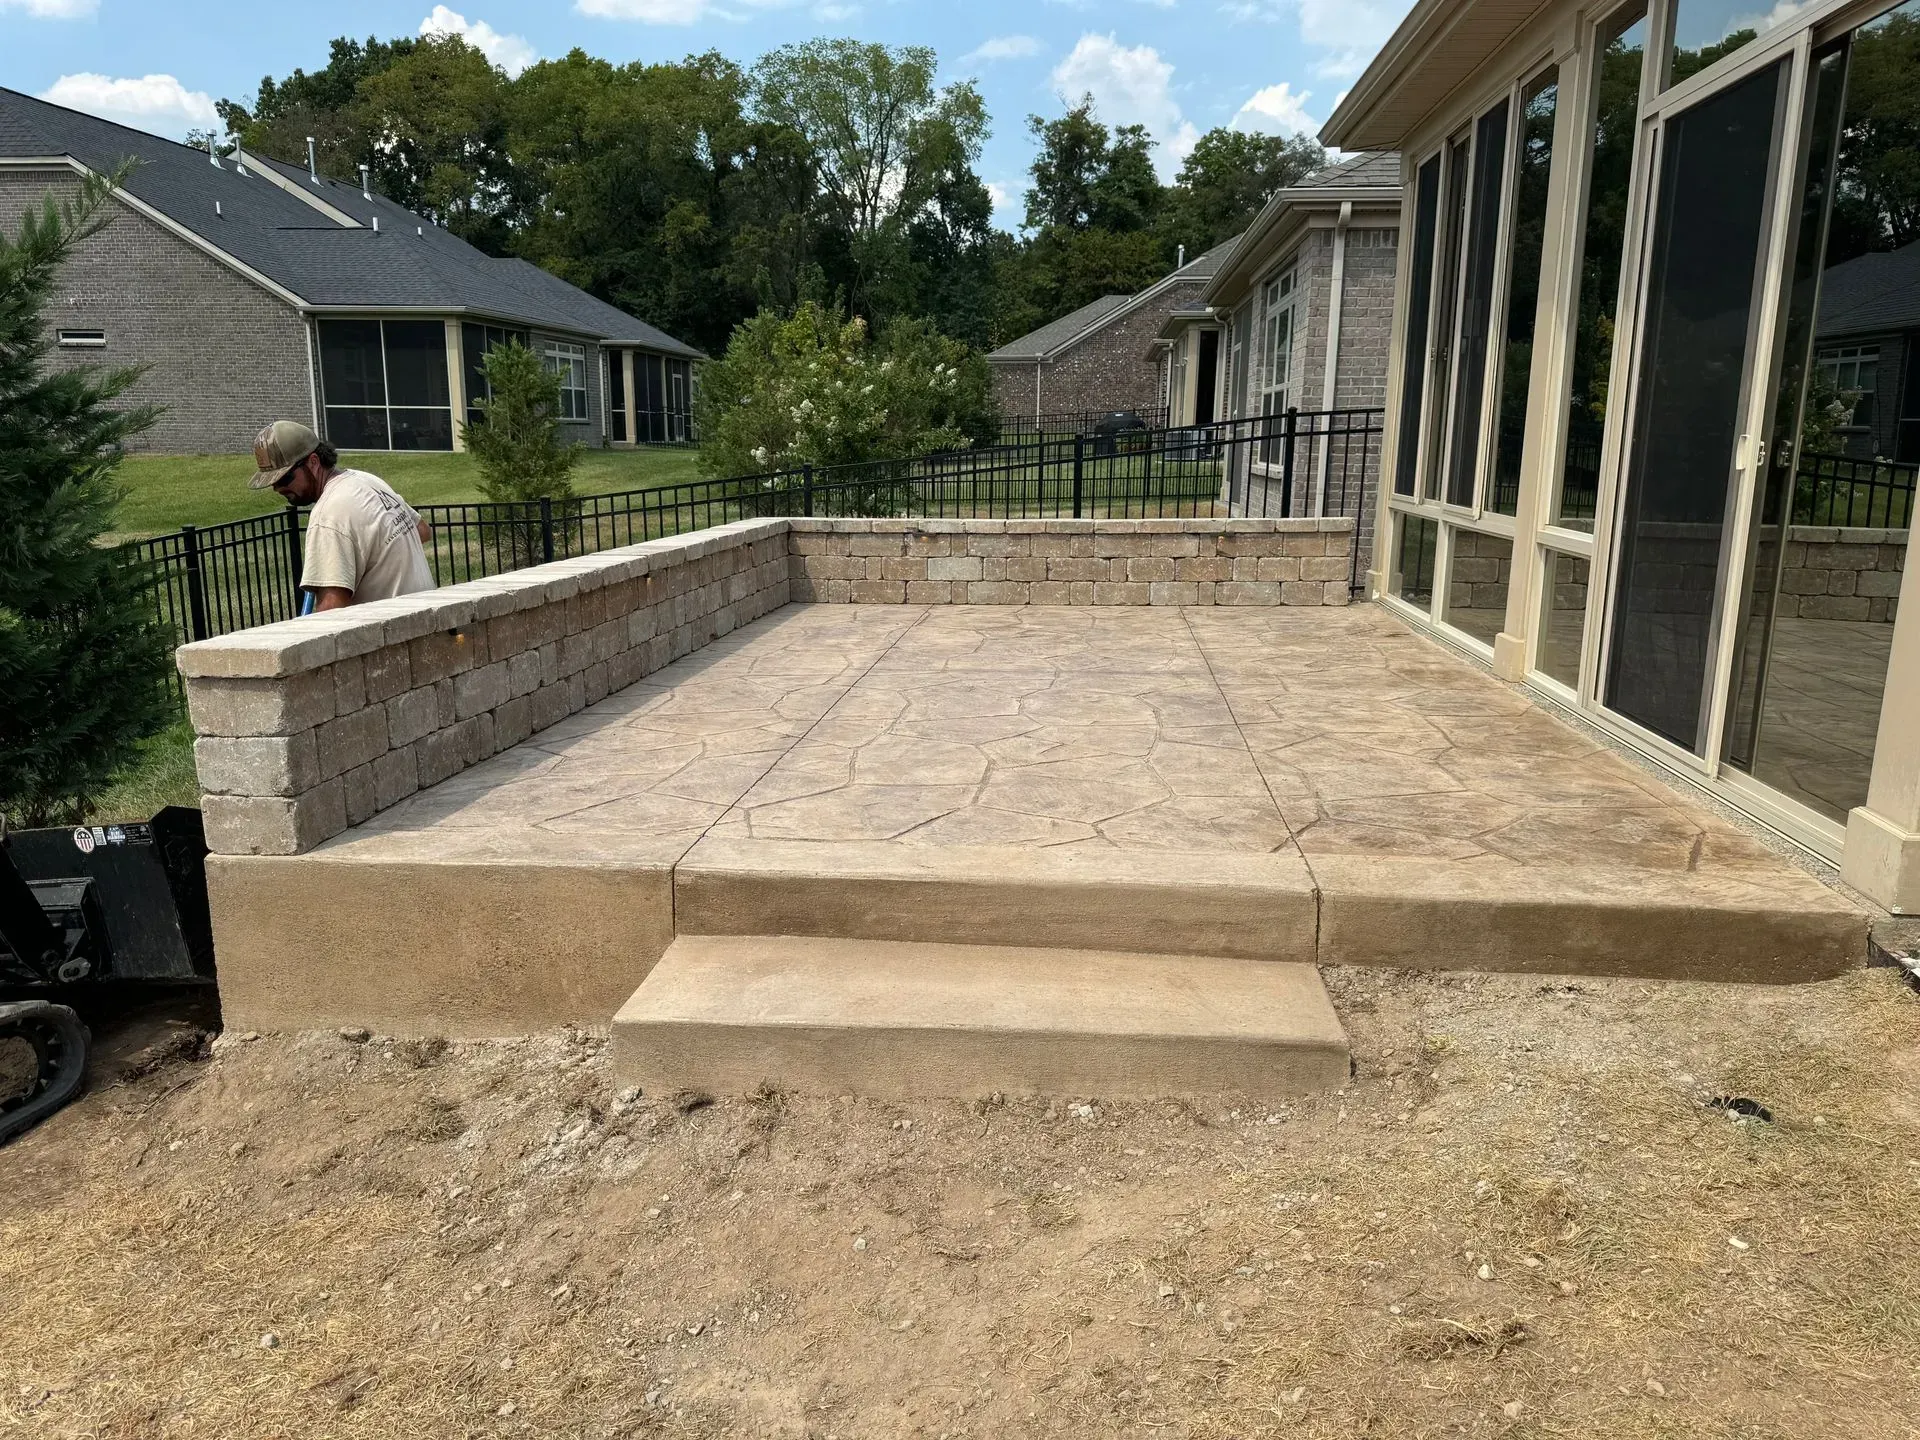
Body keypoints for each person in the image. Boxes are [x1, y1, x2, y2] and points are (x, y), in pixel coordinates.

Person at [249, 420, 435, 611]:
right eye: (273, 482)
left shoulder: (329, 514)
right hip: (427, 618)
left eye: (284, 478)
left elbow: (332, 610)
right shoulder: (365, 480)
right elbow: (422, 531)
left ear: (313, 462)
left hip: (392, 634)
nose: (278, 488)